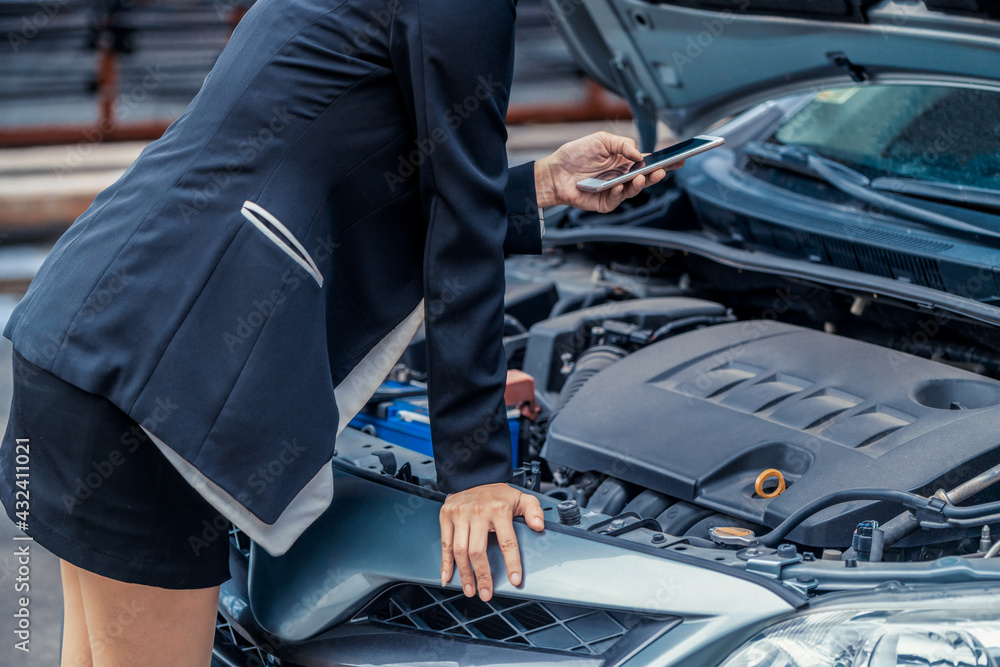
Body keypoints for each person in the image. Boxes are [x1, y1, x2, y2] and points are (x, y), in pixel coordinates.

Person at [0, 0, 681, 664]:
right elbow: (460, 231)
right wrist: (475, 474)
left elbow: (350, 163)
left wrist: (544, 182)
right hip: (154, 378)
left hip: (91, 328)